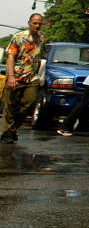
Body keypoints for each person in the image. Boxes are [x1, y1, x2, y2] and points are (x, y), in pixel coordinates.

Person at [2, 13, 46, 144]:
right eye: (35, 23)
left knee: (29, 103)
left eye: (39, 23)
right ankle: (7, 134)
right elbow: (10, 58)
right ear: (29, 23)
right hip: (16, 76)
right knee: (9, 106)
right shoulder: (19, 37)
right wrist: (11, 77)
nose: (37, 26)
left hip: (32, 78)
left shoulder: (42, 38)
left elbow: (39, 57)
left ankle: (12, 129)